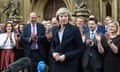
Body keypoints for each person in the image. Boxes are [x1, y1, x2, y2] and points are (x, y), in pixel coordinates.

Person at [50, 7, 83, 72]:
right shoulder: (54, 30)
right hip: (57, 64)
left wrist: (65, 56)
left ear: (68, 17)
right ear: (58, 18)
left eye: (65, 16)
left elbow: (80, 49)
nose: (63, 18)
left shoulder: (74, 30)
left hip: (70, 64)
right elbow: (52, 46)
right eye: (61, 16)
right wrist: (53, 53)